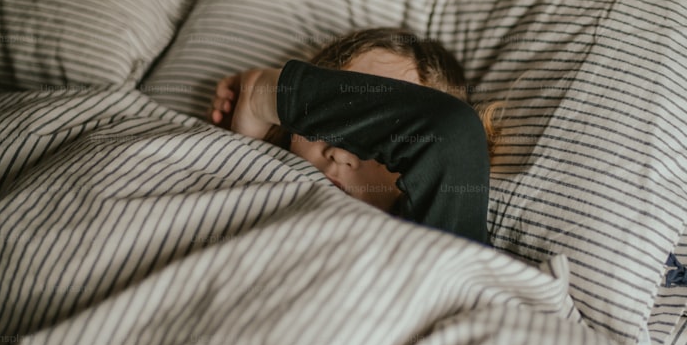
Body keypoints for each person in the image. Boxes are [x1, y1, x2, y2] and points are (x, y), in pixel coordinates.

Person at [209, 28, 497, 244]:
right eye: (329, 114)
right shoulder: (234, 167)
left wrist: (266, 92)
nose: (340, 152)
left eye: (381, 133)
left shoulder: (440, 243)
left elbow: (451, 132)